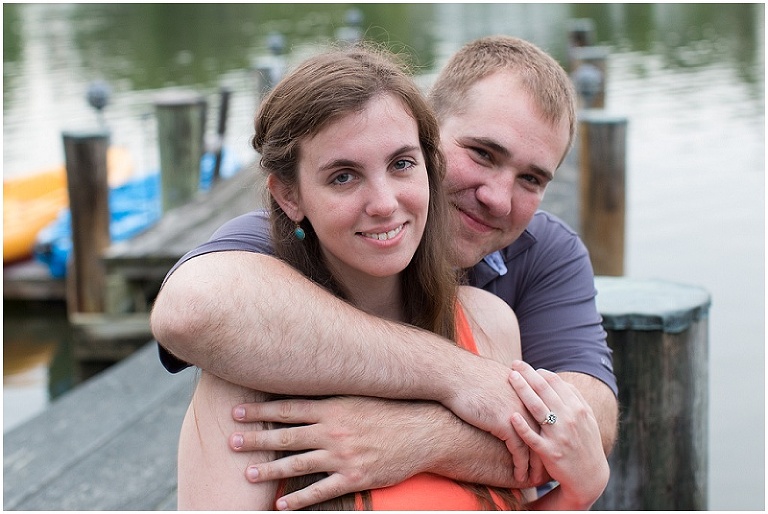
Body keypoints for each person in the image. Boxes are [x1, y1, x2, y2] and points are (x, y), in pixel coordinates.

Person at [151, 36, 618, 510]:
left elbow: (582, 426)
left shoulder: (498, 313)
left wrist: (422, 437)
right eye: (482, 153)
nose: (497, 198)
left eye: (531, 179)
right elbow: (194, 311)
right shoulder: (265, 270)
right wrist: (462, 379)